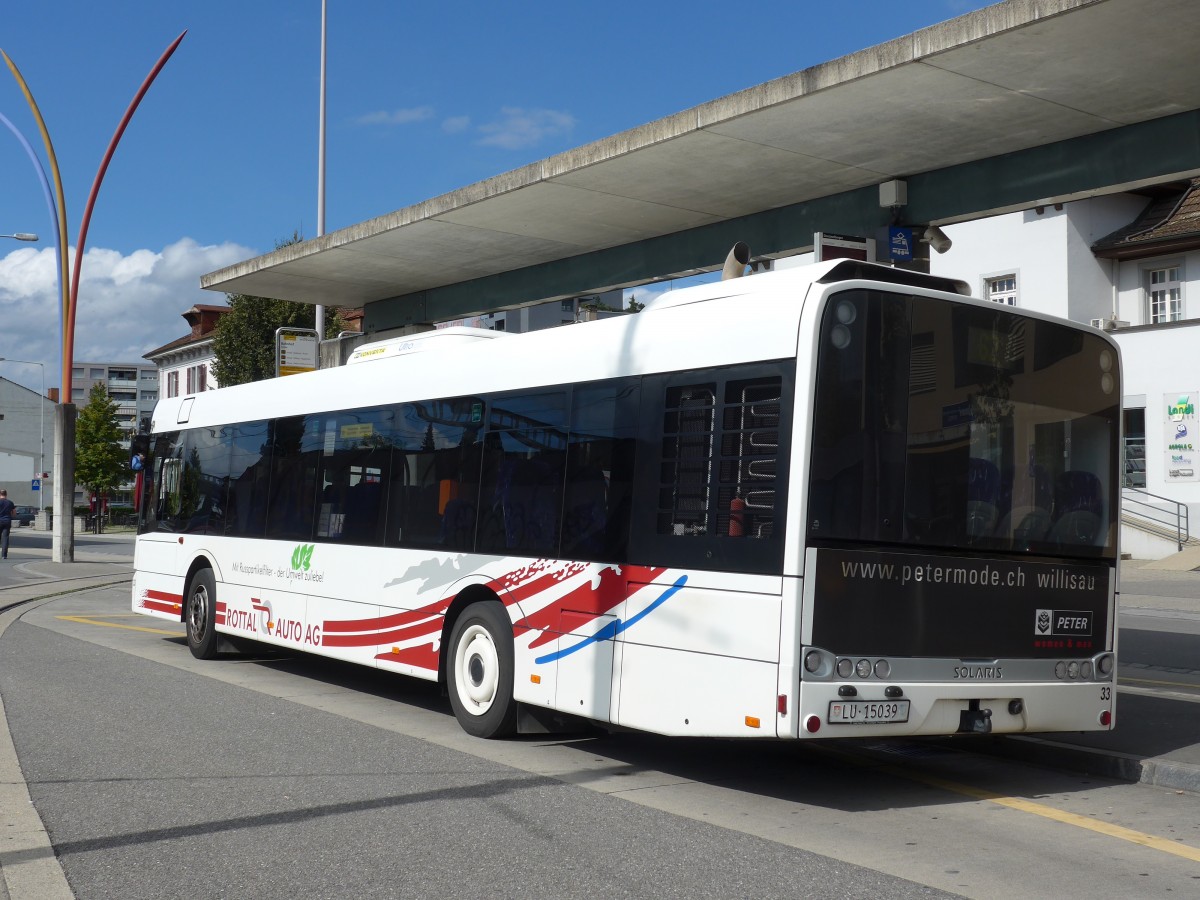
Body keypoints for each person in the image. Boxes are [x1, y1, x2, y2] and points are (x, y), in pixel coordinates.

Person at [0, 489, 14, 560]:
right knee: (5, 538)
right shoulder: (10, 503)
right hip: (7, 521)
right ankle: (4, 555)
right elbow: (14, 512)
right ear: (6, 494)